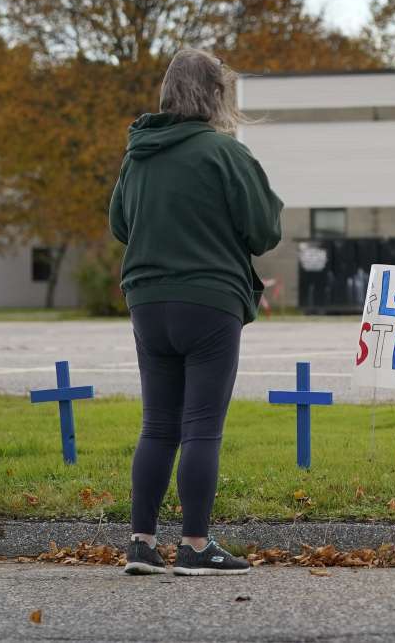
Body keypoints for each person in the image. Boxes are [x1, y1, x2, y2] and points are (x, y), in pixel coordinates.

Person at [109, 48, 283, 576]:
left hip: (146, 300)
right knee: (202, 426)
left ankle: (141, 543)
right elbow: (264, 231)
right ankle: (196, 544)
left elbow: (121, 225)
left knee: (157, 425)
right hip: (209, 301)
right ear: (215, 95)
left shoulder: (138, 154)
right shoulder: (224, 154)